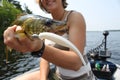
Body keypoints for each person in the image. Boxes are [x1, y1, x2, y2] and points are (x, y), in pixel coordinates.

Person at [4, 0, 94, 80]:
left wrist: (39, 48)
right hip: (58, 77)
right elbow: (44, 60)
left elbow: (76, 63)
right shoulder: (45, 26)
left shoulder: (74, 17)